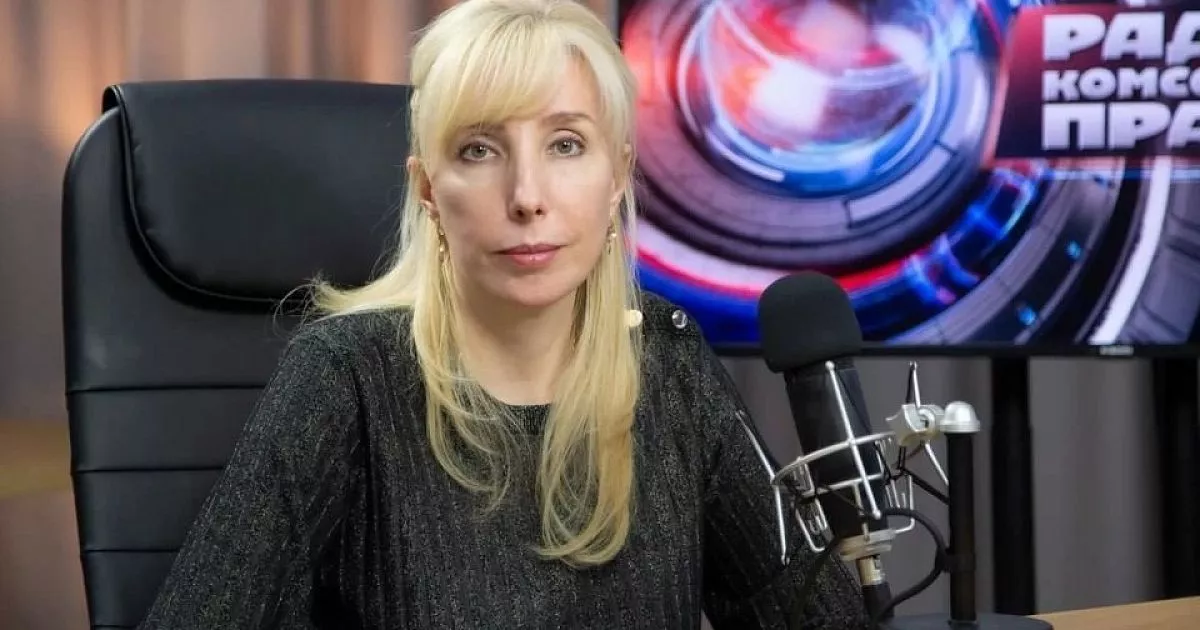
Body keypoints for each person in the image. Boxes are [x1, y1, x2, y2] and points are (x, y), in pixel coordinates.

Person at [137, 0, 869, 628]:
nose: (527, 196)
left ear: (617, 177)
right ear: (428, 190)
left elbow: (817, 615)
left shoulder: (668, 361)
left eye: (566, 145)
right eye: (481, 149)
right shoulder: (346, 379)